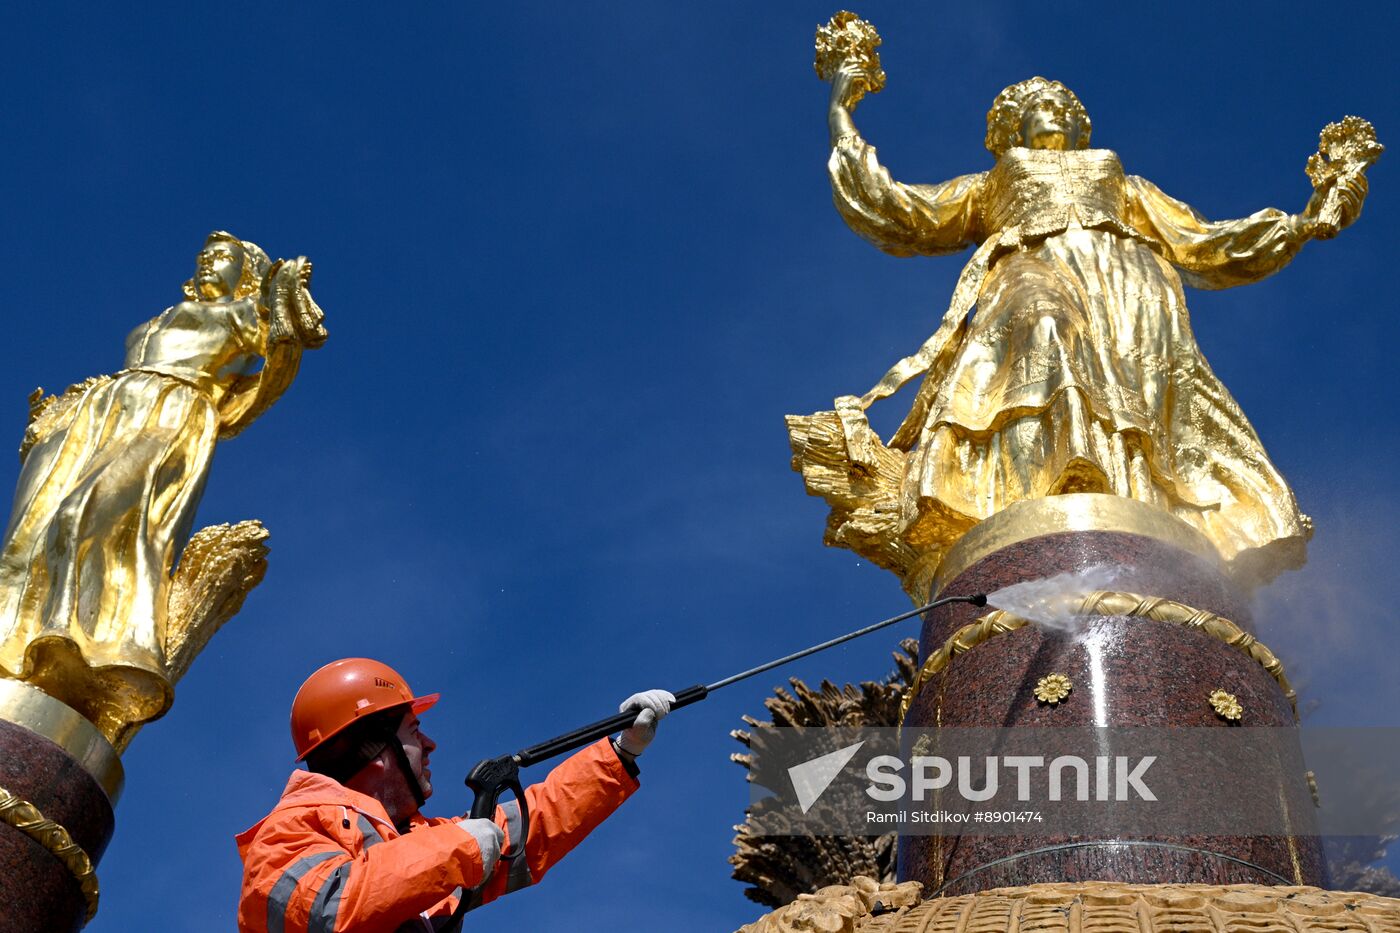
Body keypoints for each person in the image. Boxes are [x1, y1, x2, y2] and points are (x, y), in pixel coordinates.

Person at [787, 70, 1371, 598]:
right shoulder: (991, 185)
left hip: (1131, 282)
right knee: (1043, 324)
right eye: (1039, 104)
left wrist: (1301, 224)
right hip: (1030, 263)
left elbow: (1199, 239)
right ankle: (1057, 482)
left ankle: (1130, 507)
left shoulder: (1122, 180)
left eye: (1064, 106)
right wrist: (843, 112)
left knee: (1148, 395)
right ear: (1011, 123)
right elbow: (904, 211)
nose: (1055, 112)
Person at [0, 232, 325, 740]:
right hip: (104, 412)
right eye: (205, 256)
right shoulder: (162, 317)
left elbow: (280, 360)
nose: (207, 263)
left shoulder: (245, 313)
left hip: (171, 409)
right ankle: (21, 648)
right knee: (36, 532)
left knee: (88, 514)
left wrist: (282, 295)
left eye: (221, 258)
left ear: (243, 273)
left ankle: (90, 647)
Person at [235, 658, 673, 932]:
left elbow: (531, 824)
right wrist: (456, 850)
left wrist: (620, 751)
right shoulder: (286, 834)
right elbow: (326, 911)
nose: (430, 745)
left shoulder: (414, 841)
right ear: (372, 748)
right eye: (414, 731)